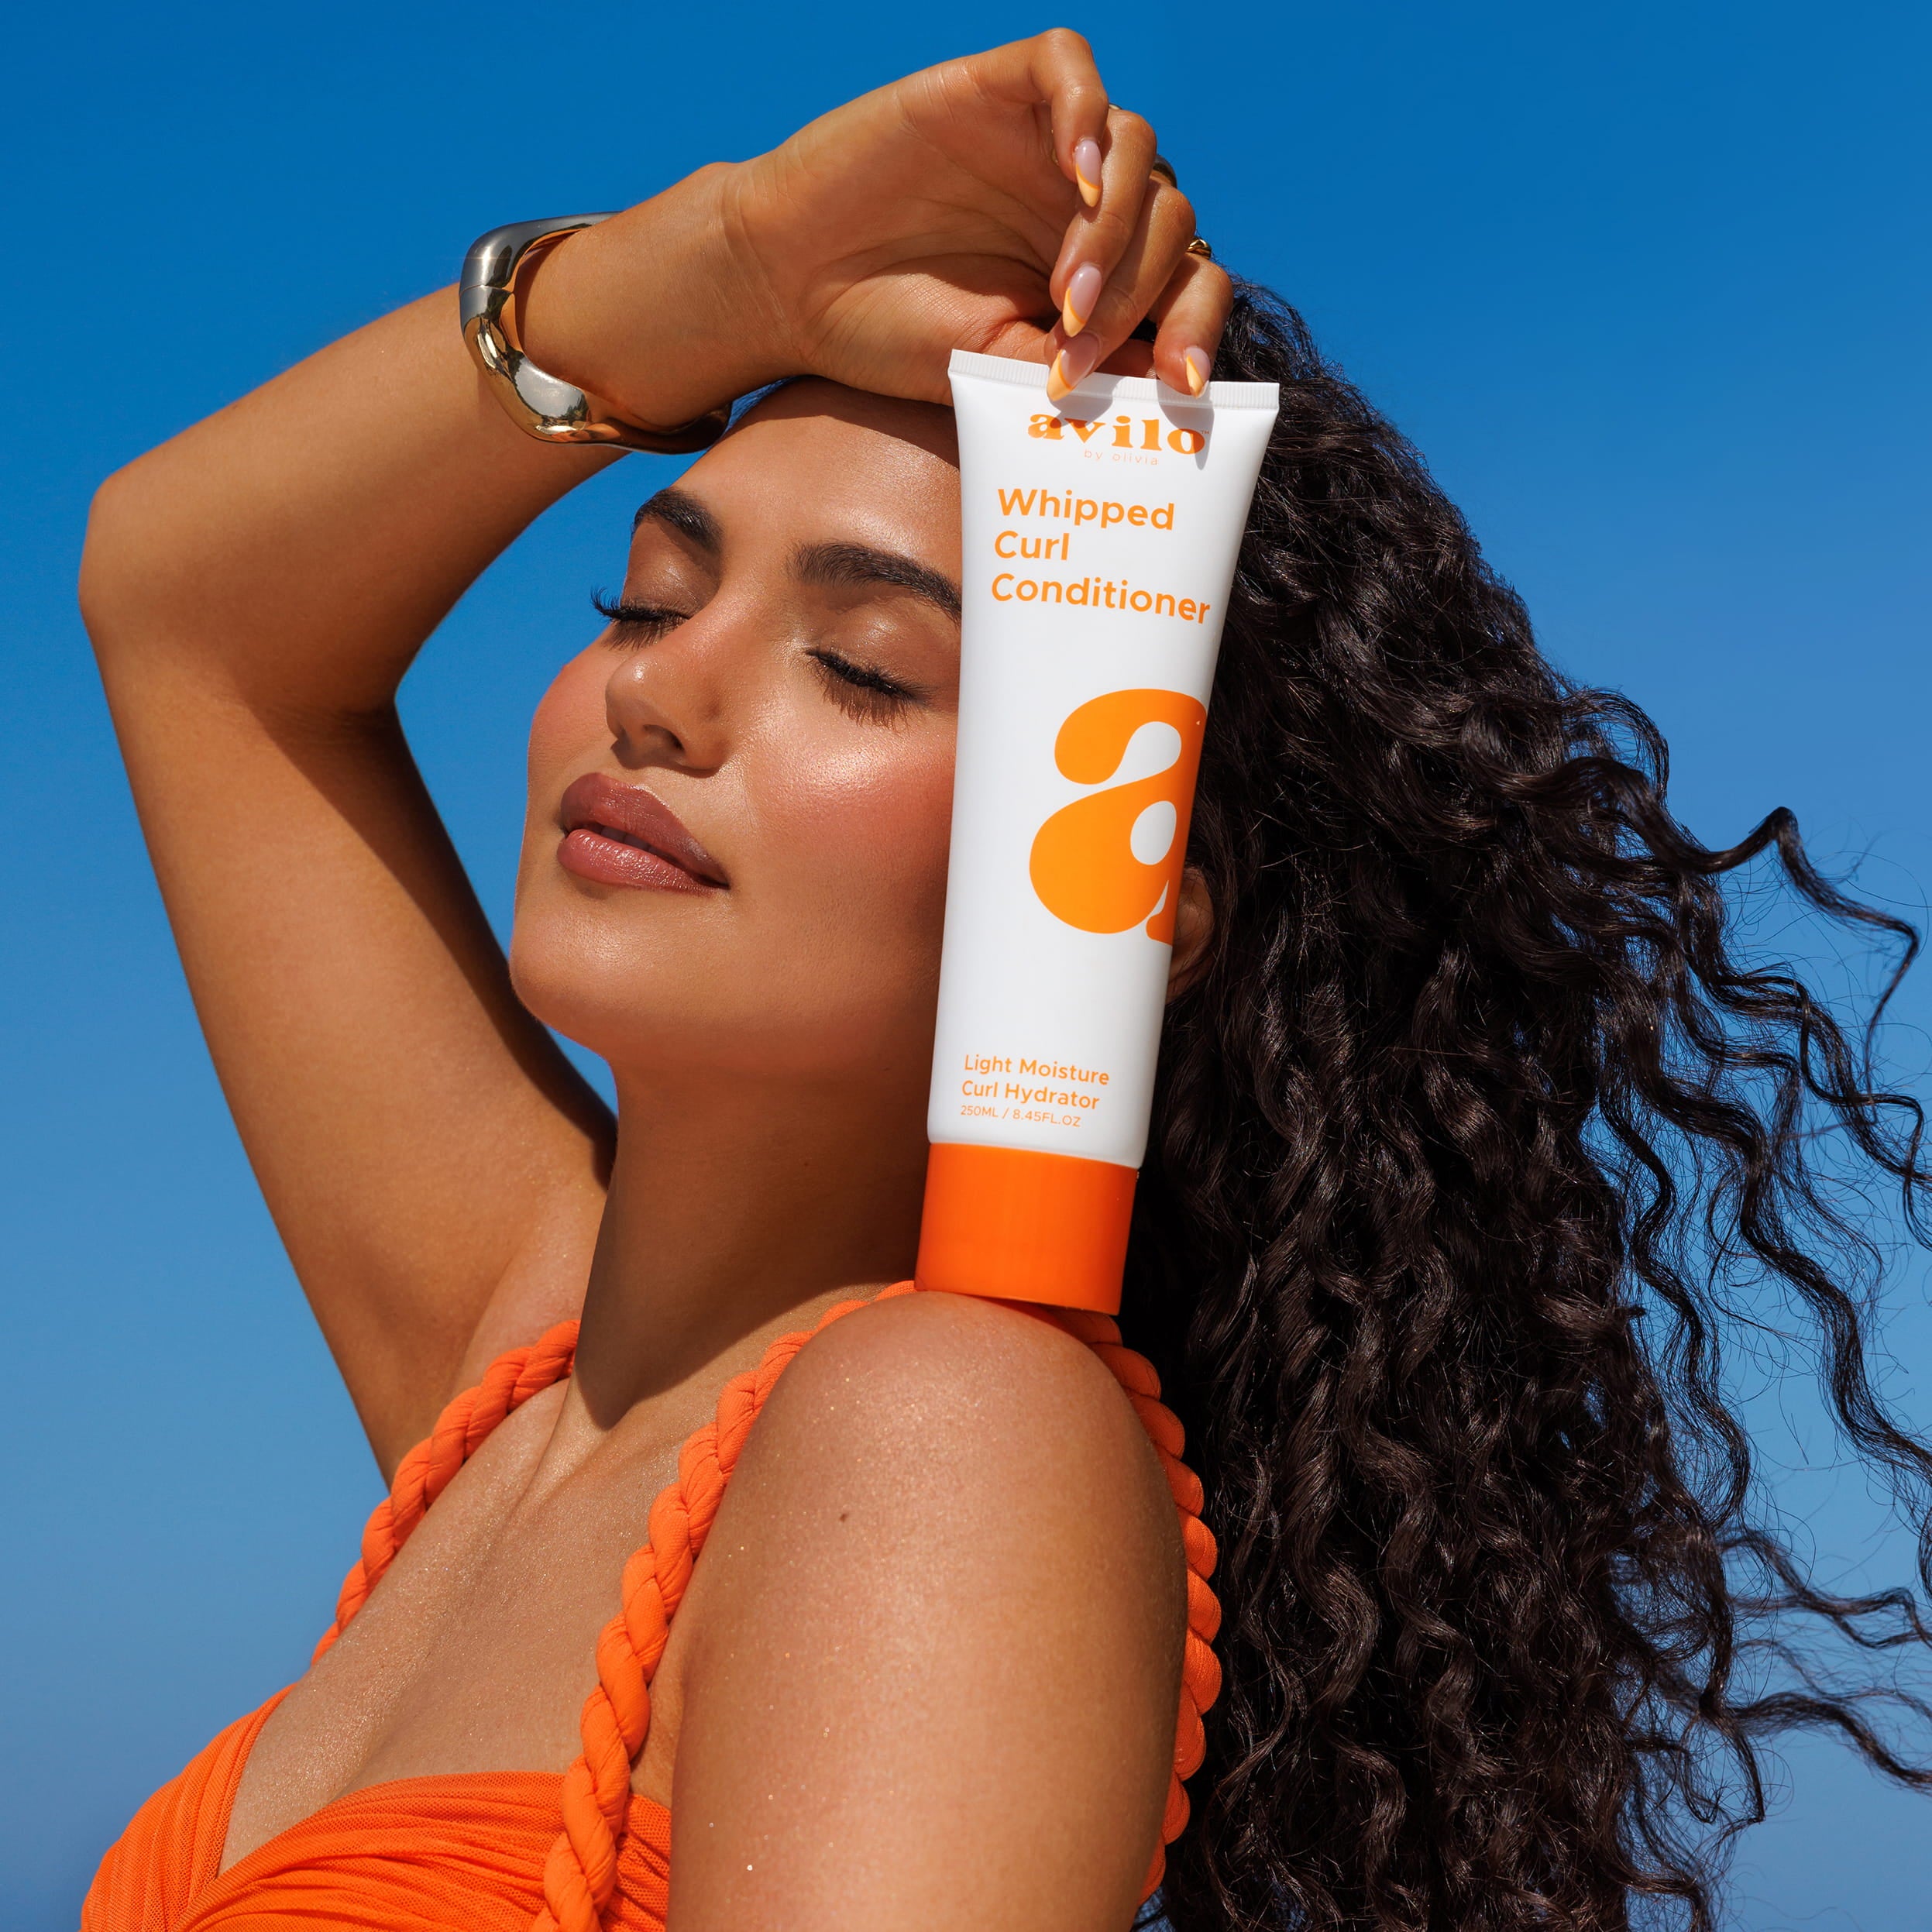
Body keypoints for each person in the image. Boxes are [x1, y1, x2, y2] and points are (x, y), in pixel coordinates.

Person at [74, 29, 1932, 1932]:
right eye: (645, 591)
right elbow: (187, 605)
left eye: (864, 664)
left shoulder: (949, 1433)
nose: (660, 685)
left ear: (1128, 872)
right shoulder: (518, 1384)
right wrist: (722, 265)